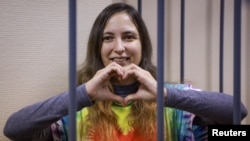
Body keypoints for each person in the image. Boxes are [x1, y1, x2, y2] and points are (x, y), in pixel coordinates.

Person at [3, 2, 248, 141]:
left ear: (143, 46)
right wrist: (83, 94)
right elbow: (13, 129)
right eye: (108, 38)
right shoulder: (73, 110)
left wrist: (166, 95)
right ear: (97, 49)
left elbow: (238, 113)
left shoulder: (175, 102)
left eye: (129, 37)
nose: (119, 48)